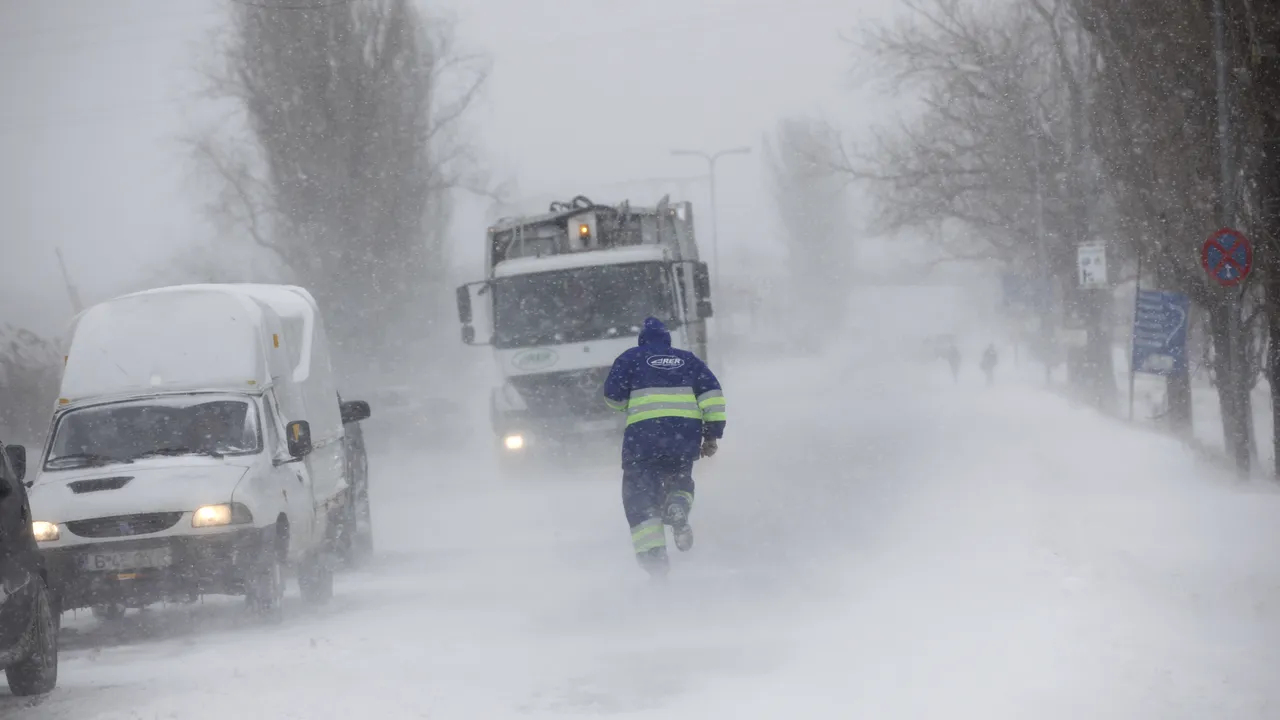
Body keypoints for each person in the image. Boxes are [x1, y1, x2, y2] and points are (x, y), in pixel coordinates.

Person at [603, 317, 726, 579]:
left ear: (642, 340)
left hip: (643, 441)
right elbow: (712, 395)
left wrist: (630, 405)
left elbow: (612, 396)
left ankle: (654, 559)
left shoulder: (630, 358)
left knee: (639, 497)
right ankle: (678, 504)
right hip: (683, 439)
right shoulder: (688, 360)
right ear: (667, 340)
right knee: (680, 479)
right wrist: (711, 436)